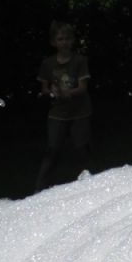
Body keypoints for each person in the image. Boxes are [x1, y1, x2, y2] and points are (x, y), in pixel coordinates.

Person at [35, 21, 92, 192]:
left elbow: (83, 87)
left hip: (79, 111)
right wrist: (52, 92)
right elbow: (44, 88)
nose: (64, 42)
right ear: (54, 42)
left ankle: (88, 186)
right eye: (60, 39)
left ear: (72, 40)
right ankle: (40, 188)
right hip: (57, 112)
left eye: (67, 38)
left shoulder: (80, 61)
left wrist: (68, 93)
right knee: (52, 149)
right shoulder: (48, 63)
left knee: (81, 149)